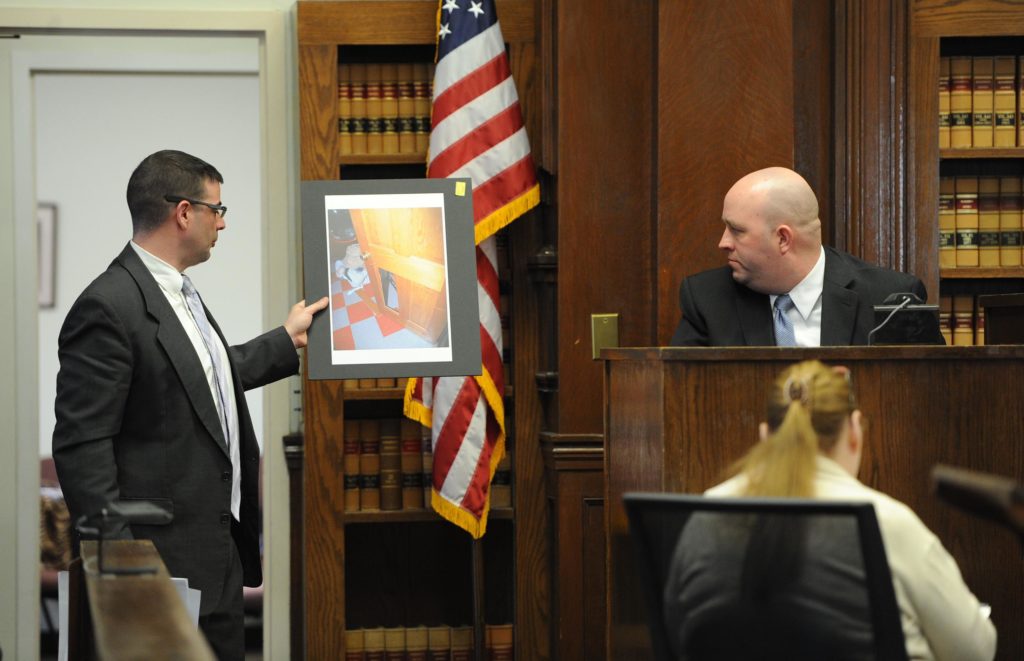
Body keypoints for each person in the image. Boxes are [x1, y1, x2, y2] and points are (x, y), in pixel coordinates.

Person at [52, 150, 329, 659]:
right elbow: (81, 450)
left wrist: (285, 341)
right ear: (184, 212)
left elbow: (200, 380)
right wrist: (126, 574)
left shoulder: (179, 292)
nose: (222, 223)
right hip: (154, 573)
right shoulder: (108, 306)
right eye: (217, 209)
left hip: (215, 560)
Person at [664, 360, 996, 660]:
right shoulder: (889, 524)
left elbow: (676, 633)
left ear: (766, 437)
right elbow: (975, 651)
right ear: (854, 431)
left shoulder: (707, 513)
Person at [669, 167, 937, 346]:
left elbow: (927, 399)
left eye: (737, 231)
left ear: (783, 239)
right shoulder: (707, 300)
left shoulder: (889, 299)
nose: (723, 243)